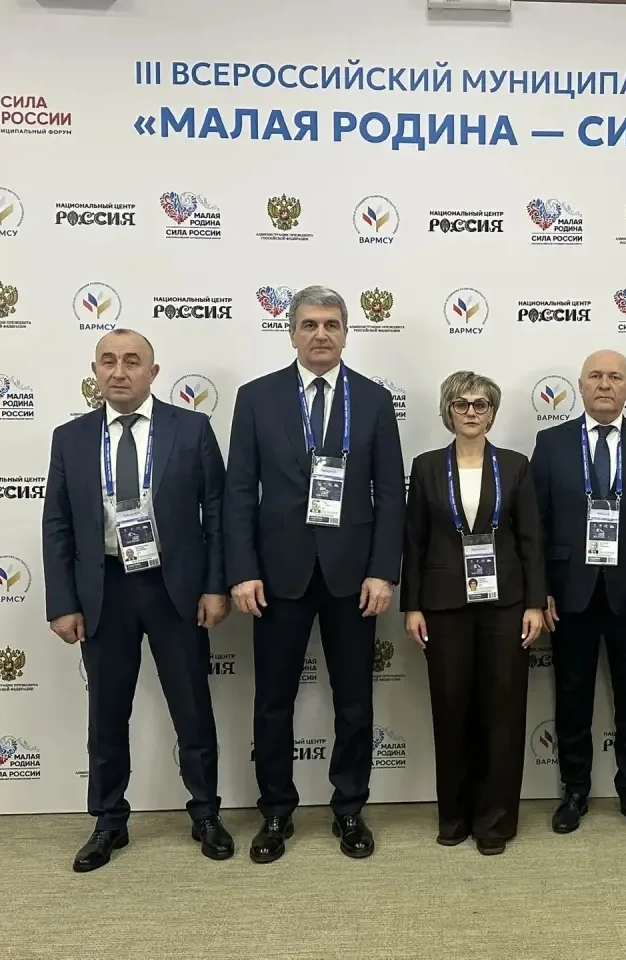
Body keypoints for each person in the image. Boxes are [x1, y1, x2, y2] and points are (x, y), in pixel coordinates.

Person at [224, 285, 405, 863]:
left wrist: (383, 571)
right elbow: (238, 492)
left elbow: (390, 495)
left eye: (331, 324)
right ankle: (276, 810)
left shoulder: (374, 400)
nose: (320, 334)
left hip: (354, 578)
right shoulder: (256, 398)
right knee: (273, 701)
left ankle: (349, 807)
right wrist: (242, 570)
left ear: (346, 333)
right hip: (277, 577)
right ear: (292, 333)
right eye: (309, 324)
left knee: (354, 702)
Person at [41, 328, 231, 872]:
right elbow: (57, 523)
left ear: (153, 372)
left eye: (131, 361)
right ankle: (108, 821)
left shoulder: (191, 429)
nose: (119, 371)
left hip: (175, 587)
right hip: (104, 588)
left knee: (192, 708)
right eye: (108, 361)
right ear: (95, 372)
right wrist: (63, 602)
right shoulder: (70, 437)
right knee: (106, 713)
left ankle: (205, 813)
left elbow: (217, 514)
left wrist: (215, 585)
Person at [401, 371, 546, 855]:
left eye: (480, 404)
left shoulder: (516, 465)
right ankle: (454, 816)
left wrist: (534, 603)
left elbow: (531, 540)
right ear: (448, 411)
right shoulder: (425, 467)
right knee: (451, 709)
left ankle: (495, 822)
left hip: (507, 606)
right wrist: (412, 605)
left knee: (502, 713)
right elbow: (414, 542)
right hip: (443, 605)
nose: (470, 412)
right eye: (461, 404)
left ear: (492, 413)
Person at [530, 349, 626, 836]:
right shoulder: (550, 443)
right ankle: (575, 789)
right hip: (568, 594)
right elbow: (536, 524)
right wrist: (540, 590)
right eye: (595, 376)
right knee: (572, 697)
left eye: (615, 377)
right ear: (580, 386)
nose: (605, 384)